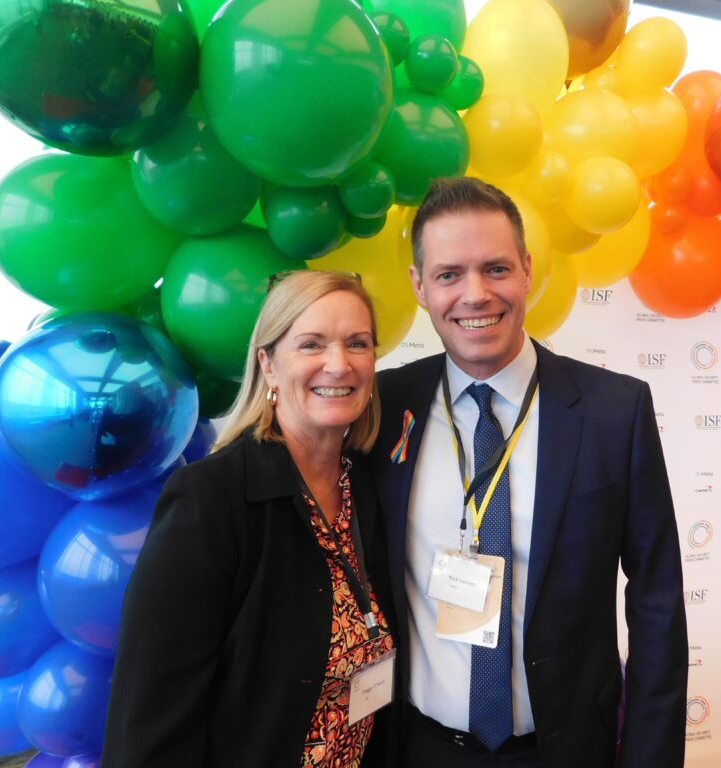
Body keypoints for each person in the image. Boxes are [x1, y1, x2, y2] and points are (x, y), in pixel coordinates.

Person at [371, 178, 688, 768]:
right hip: (421, 749)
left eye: (495, 269)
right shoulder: (385, 408)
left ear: (526, 270)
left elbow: (658, 600)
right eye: (448, 275)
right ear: (419, 286)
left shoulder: (614, 411)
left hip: (567, 749)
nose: (475, 295)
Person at [102, 270, 395, 768]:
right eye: (311, 344)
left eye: (357, 343)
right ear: (269, 365)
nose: (338, 363)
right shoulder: (210, 501)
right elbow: (150, 719)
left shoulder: (365, 487)